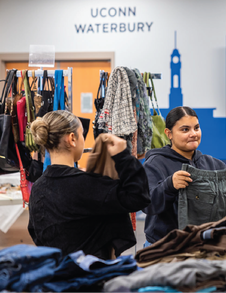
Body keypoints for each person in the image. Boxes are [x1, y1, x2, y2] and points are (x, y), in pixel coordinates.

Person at [28, 110, 151, 260]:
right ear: (72, 138)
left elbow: (36, 232)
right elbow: (139, 196)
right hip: (92, 275)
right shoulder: (87, 184)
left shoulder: (38, 187)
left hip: (55, 276)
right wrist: (123, 156)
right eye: (81, 133)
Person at [142, 106, 226, 246]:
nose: (193, 134)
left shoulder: (215, 165)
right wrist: (169, 185)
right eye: (185, 129)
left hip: (208, 246)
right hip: (165, 247)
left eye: (196, 128)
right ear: (169, 133)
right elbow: (148, 205)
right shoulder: (155, 164)